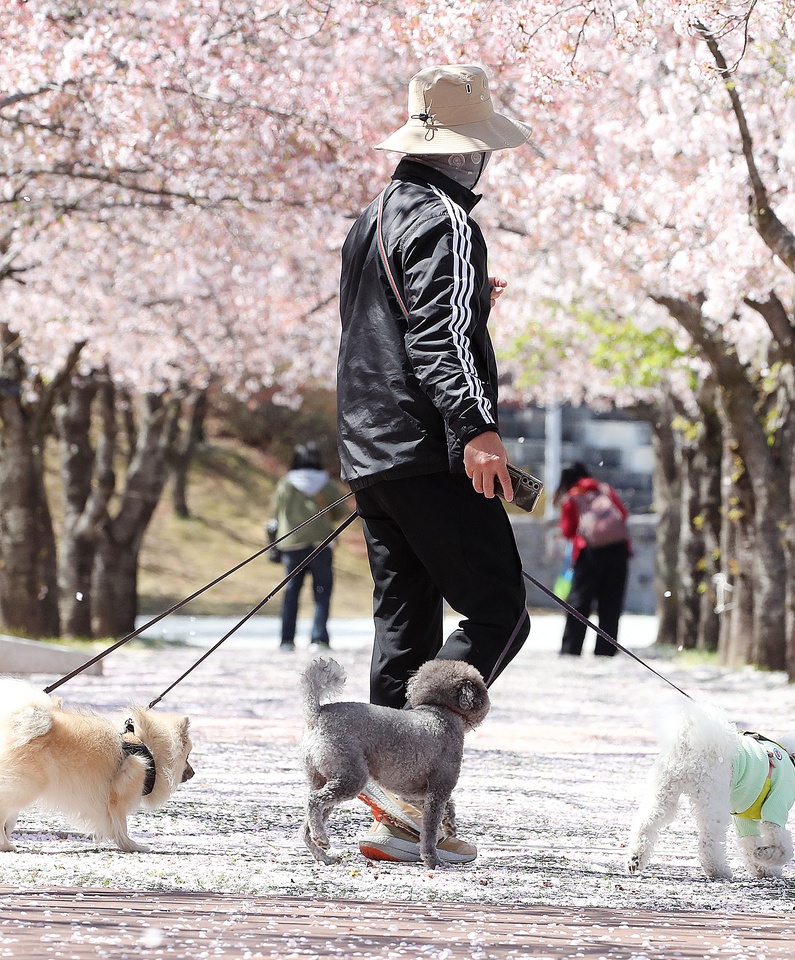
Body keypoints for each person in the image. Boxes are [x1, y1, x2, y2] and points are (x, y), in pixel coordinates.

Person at [336, 63, 533, 864]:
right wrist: (476, 426)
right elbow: (434, 340)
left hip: (371, 450)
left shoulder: (372, 217)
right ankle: (415, 779)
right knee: (498, 612)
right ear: (465, 153)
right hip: (430, 447)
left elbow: (383, 328)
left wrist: (471, 302)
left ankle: (390, 801)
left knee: (405, 620)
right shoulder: (447, 221)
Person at [269, 442, 350, 651]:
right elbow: (341, 511)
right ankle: (318, 639)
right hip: (321, 545)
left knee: (291, 594)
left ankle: (287, 640)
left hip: (292, 546)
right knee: (322, 593)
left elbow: (275, 513)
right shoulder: (327, 484)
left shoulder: (285, 484)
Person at [556, 462, 632, 657]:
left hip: (589, 555)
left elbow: (568, 530)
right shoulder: (604, 490)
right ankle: (606, 650)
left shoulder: (572, 496)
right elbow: (623, 514)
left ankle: (571, 650)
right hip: (618, 552)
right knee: (611, 604)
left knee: (579, 605)